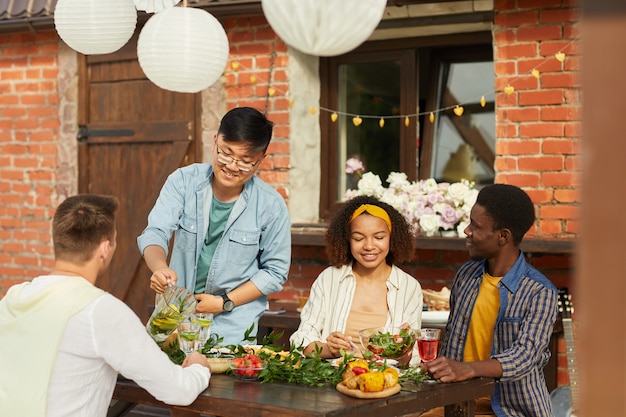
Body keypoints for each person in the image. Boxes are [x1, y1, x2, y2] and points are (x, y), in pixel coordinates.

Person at [0, 195, 211, 417]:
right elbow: (178, 390)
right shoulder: (100, 310)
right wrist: (198, 366)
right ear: (104, 248)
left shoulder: (15, 296)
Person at [137, 107, 291, 346]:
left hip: (233, 327)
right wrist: (158, 268)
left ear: (261, 160)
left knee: (226, 384)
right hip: (175, 321)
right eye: (226, 153)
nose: (231, 166)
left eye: (245, 161)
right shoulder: (183, 182)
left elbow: (275, 272)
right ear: (215, 140)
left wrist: (224, 302)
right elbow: (155, 232)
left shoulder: (271, 205)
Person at [420, 184, 558, 417]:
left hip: (510, 409)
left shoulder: (540, 291)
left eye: (476, 226)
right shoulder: (466, 275)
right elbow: (454, 338)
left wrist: (466, 369)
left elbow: (525, 356)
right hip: (457, 402)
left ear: (503, 236)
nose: (466, 231)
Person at [290, 195, 423, 360]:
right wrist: (328, 349)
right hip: (332, 378)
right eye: (358, 238)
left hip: (385, 380)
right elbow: (302, 341)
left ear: (392, 238)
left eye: (379, 238)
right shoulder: (329, 279)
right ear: (347, 240)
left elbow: (413, 359)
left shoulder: (409, 287)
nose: (369, 246)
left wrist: (402, 349)